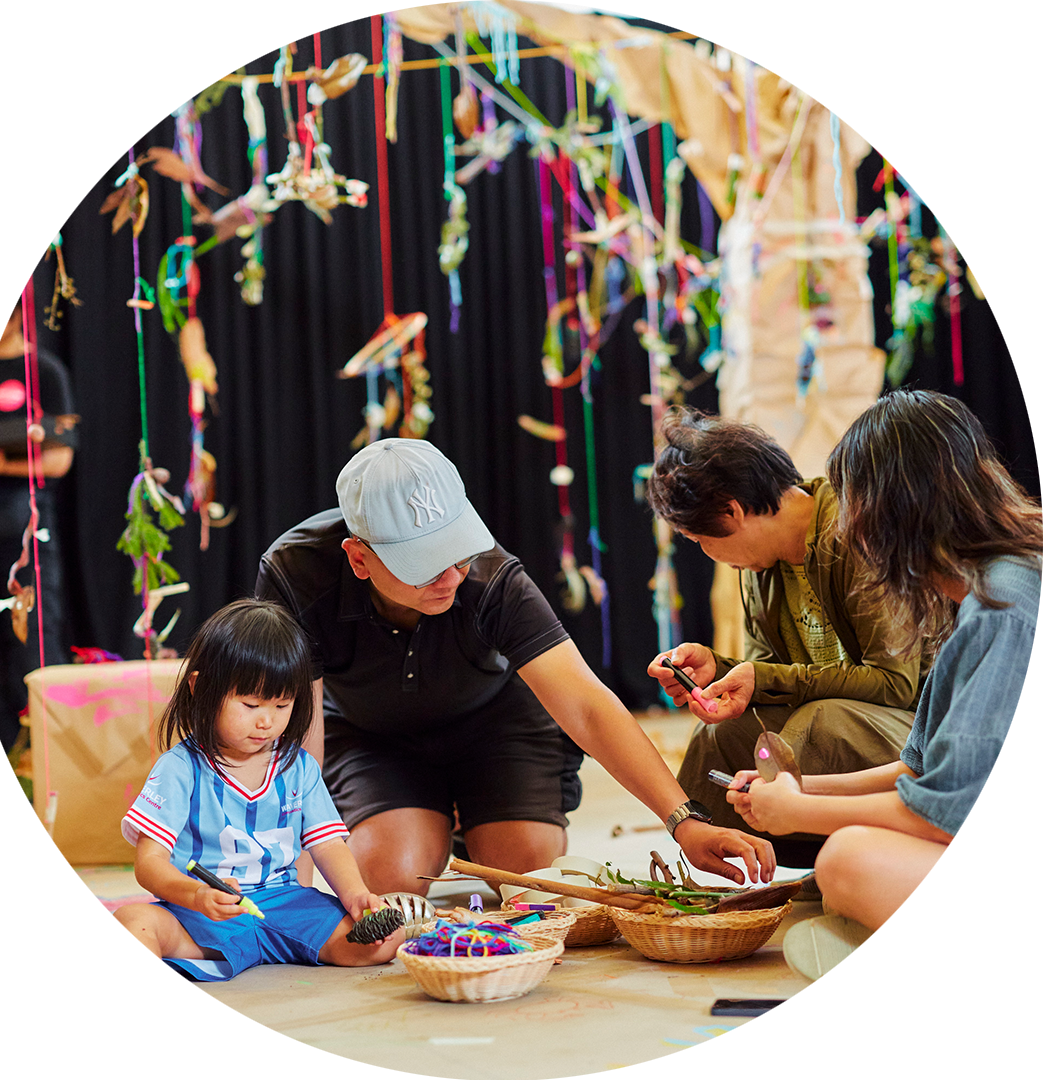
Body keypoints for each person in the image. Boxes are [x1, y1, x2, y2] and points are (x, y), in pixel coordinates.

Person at [256, 437, 775, 896]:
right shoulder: (297, 572)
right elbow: (297, 732)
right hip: (373, 737)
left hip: (497, 726)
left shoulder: (490, 577)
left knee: (529, 875)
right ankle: (431, 813)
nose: (450, 577)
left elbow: (587, 707)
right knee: (391, 877)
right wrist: (286, 870)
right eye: (424, 563)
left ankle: (474, 812)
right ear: (358, 557)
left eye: (455, 551)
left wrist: (684, 821)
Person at [725, 389, 1042, 979]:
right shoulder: (985, 594)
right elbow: (919, 773)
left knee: (847, 859)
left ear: (895, 510)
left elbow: (945, 813)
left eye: (853, 505)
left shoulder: (1003, 608)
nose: (846, 523)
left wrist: (795, 810)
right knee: (846, 855)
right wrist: (805, 789)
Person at [644, 406, 924, 865]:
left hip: (915, 734)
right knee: (721, 736)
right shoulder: (759, 562)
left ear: (731, 512)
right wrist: (723, 673)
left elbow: (897, 684)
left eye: (699, 541)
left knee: (818, 724)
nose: (708, 553)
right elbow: (774, 679)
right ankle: (707, 855)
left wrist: (765, 676)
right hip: (842, 722)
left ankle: (846, 852)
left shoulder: (855, 530)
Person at [113, 599, 404, 982]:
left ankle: (284, 944)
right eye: (250, 704)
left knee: (388, 936)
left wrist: (355, 897)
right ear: (200, 687)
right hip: (203, 913)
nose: (266, 721)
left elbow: (329, 845)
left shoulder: (299, 767)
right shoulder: (180, 768)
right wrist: (195, 895)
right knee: (131, 922)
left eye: (282, 704)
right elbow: (149, 864)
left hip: (288, 906)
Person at [0, 300, 78, 752]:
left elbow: (59, 459)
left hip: (23, 527)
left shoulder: (43, 371)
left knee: (33, 641)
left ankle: (46, 757)